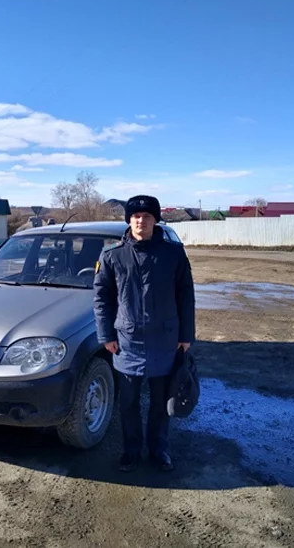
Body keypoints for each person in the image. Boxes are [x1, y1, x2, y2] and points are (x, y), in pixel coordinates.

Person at [93, 195, 195, 472]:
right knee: (128, 403)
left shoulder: (173, 254)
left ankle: (158, 450)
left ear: (155, 220)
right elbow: (102, 298)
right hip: (127, 341)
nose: (141, 221)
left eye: (147, 216)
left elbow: (186, 295)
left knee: (161, 402)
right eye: (136, 216)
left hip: (165, 340)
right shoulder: (112, 255)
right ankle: (131, 451)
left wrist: (186, 336)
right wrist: (106, 335)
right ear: (129, 220)